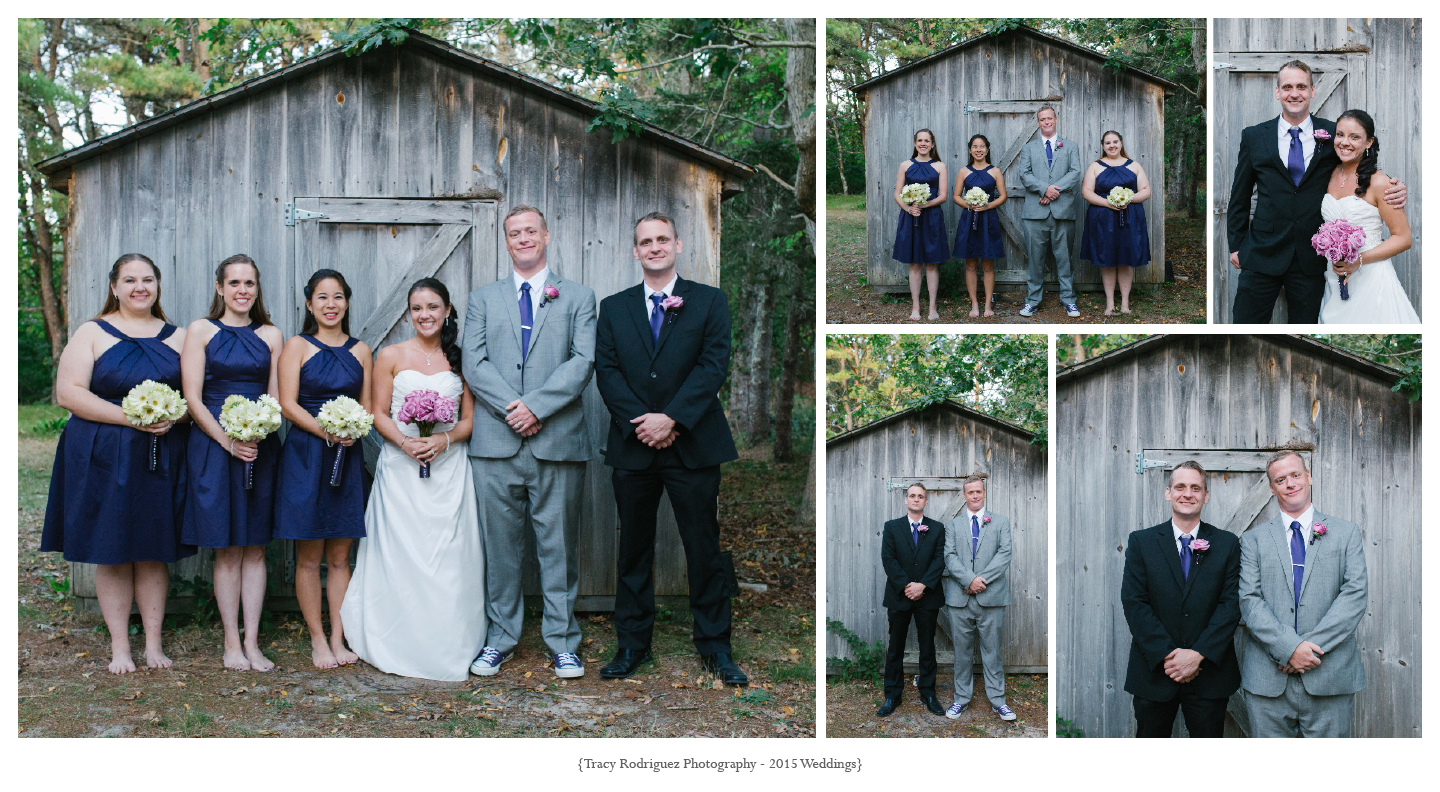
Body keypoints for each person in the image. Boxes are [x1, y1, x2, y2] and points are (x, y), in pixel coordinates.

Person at [594, 212, 746, 685]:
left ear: (678, 245)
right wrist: (644, 424)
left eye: (663, 239)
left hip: (693, 445)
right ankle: (632, 645)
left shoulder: (708, 301)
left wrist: (673, 418)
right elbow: (608, 371)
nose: (654, 247)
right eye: (645, 241)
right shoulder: (614, 308)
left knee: (703, 548)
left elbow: (713, 364)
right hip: (635, 445)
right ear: (635, 251)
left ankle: (716, 647)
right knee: (633, 550)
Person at [41, 254, 194, 674]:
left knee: (151, 549)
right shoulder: (92, 332)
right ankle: (120, 647)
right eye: (130, 280)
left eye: (147, 279)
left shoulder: (179, 337)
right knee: (112, 549)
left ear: (157, 286)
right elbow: (69, 393)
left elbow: (194, 398)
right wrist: (133, 417)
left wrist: (172, 415)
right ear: (114, 287)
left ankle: (154, 644)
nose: (139, 287)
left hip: (160, 456)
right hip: (102, 453)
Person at [461, 206, 596, 680]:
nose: (522, 239)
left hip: (556, 441)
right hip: (495, 444)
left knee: (558, 548)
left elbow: (582, 363)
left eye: (530, 232)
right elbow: (473, 364)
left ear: (546, 235)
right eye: (514, 233)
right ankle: (500, 638)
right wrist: (512, 409)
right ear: (506, 241)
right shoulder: (483, 298)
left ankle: (562, 642)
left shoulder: (578, 297)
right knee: (501, 550)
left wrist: (535, 407)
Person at [340, 278, 486, 681]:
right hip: (401, 469)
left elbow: (470, 419)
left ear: (447, 310)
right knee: (402, 553)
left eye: (433, 307)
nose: (425, 315)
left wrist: (442, 438)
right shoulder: (390, 355)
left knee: (448, 555)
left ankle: (449, 640)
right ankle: (397, 639)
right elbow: (378, 411)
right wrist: (407, 443)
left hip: (450, 469)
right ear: (409, 313)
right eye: (418, 308)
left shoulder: (461, 358)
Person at [1227, 60, 1406, 323]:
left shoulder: (1335, 134)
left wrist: (1395, 185)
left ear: (1312, 90)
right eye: (1287, 87)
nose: (1294, 93)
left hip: (1311, 259)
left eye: (1301, 86)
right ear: (1278, 92)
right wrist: (1236, 245)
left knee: (1304, 328)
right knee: (1245, 323)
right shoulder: (1255, 136)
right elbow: (1239, 196)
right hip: (1261, 252)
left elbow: (1360, 167)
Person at [181, 254, 283, 671]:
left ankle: (253, 642)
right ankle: (230, 643)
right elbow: (192, 397)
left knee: (255, 548)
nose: (243, 291)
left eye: (250, 284)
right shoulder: (201, 331)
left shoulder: (272, 335)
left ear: (257, 289)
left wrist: (259, 431)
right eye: (234, 283)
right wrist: (228, 441)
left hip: (260, 445)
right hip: (214, 445)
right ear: (220, 288)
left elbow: (274, 396)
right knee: (226, 549)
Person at [275, 269, 373, 669]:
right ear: (309, 303)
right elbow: (288, 404)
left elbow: (366, 406)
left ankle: (338, 636)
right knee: (308, 556)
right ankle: (316, 638)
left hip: (347, 457)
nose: (330, 305)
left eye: (337, 297)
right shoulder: (297, 346)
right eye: (322, 297)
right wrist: (326, 431)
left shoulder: (362, 350)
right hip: (305, 455)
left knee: (340, 557)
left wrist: (352, 428)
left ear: (347, 302)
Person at [1239, 451, 1368, 737]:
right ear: (1272, 488)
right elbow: (1249, 601)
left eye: (1295, 475)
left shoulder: (1346, 533)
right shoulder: (1253, 540)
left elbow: (1355, 594)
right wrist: (1288, 648)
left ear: (1308, 477)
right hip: (1268, 680)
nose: (1290, 483)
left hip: (1330, 675)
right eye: (1280, 479)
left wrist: (1307, 649)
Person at [1120, 461, 1241, 738]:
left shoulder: (1226, 544)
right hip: (1155, 671)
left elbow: (1231, 604)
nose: (1188, 493)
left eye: (1196, 488)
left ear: (1206, 496)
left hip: (1209, 674)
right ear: (1168, 493)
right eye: (1180, 487)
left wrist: (1197, 655)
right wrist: (1171, 656)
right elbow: (1134, 602)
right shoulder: (1142, 542)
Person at [1318, 109, 1418, 324]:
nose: (1345, 142)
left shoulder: (1381, 183)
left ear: (1369, 142)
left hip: (1371, 278)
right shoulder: (1328, 173)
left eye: (1355, 137)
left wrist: (1358, 261)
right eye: (1340, 134)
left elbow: (1403, 238)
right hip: (1334, 276)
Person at [941, 476, 1015, 722]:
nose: (974, 496)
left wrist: (980, 580)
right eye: (970, 492)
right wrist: (968, 580)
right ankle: (961, 699)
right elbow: (949, 556)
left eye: (978, 492)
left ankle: (998, 701)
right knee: (961, 653)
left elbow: (1004, 554)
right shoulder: (952, 526)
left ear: (984, 493)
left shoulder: (1001, 522)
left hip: (991, 597)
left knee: (992, 651)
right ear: (964, 496)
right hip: (959, 599)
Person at [877, 483, 946, 718]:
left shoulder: (937, 528)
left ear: (926, 502)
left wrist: (923, 586)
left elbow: (939, 560)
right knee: (895, 647)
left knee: (928, 647)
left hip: (928, 597)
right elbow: (889, 559)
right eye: (912, 496)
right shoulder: (892, 527)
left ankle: (928, 693)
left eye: (921, 497)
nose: (916, 499)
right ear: (906, 500)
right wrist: (907, 586)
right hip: (899, 596)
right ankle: (892, 695)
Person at [1018, 105, 1082, 318]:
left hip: (1062, 211)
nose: (1046, 122)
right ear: (1038, 123)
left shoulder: (1070, 146)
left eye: (1049, 118)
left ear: (1056, 120)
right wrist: (1044, 188)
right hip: (1035, 213)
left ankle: (1069, 300)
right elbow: (1024, 175)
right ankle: (1032, 301)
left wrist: (1055, 191)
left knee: (1065, 258)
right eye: (1042, 119)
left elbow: (1075, 173)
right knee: (1035, 260)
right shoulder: (1028, 148)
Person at [1079, 130, 1152, 315]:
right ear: (1103, 146)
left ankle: (1125, 304)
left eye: (1115, 142)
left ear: (1121, 144)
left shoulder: (1134, 165)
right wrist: (1109, 203)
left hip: (1130, 217)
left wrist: (1128, 199)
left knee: (1126, 260)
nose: (1112, 145)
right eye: (1108, 143)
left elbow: (1146, 190)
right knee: (1108, 259)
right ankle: (1110, 303)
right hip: (1103, 218)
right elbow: (1086, 191)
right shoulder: (1095, 166)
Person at [891, 129, 951, 320]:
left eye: (927, 141)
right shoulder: (905, 165)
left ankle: (933, 307)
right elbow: (897, 194)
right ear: (915, 143)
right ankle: (915, 307)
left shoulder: (940, 166)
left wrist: (926, 204)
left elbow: (943, 196)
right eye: (920, 140)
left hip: (932, 216)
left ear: (932, 144)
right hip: (911, 217)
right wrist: (909, 209)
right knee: (915, 264)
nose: (923, 143)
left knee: (932, 264)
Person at [951, 134, 1007, 318]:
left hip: (988, 218)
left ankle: (988, 305)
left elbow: (1002, 196)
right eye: (975, 146)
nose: (978, 150)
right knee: (971, 264)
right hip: (969, 219)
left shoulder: (995, 171)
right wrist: (969, 205)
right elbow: (956, 196)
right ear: (970, 150)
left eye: (982, 146)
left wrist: (987, 206)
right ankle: (974, 304)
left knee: (988, 265)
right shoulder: (964, 171)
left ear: (987, 149)